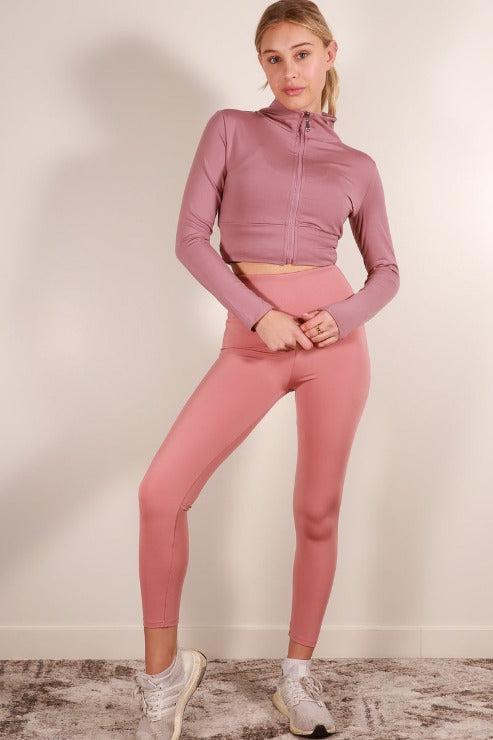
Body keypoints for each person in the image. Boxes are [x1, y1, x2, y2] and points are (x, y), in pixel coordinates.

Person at [132, 1, 400, 737]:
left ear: (328, 54)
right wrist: (259, 315)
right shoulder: (230, 129)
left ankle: (296, 677)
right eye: (273, 57)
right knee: (160, 494)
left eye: (301, 53)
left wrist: (343, 316)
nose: (288, 70)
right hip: (253, 344)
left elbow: (386, 272)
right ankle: (162, 680)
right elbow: (191, 239)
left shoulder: (358, 166)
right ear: (261, 64)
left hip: (333, 349)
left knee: (317, 511)